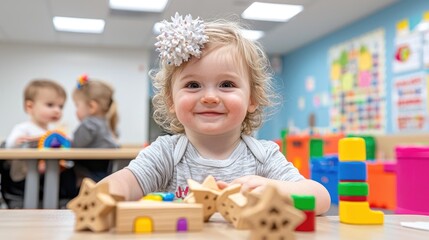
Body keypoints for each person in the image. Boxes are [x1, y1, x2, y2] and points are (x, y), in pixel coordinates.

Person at [101, 13, 330, 215]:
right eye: (192, 85)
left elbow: (320, 198)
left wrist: (276, 190)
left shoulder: (263, 156)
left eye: (227, 84)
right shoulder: (166, 154)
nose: (209, 97)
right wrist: (106, 195)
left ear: (252, 98)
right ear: (171, 99)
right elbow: (126, 182)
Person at [3, 79, 76, 206]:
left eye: (61, 106)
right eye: (50, 105)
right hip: (24, 176)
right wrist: (22, 140)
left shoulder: (53, 131)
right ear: (29, 106)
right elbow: (9, 145)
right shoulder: (23, 128)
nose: (57, 110)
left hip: (50, 175)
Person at [72, 75, 119, 183]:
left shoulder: (88, 124)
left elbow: (74, 147)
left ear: (92, 107)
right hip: (102, 177)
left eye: (77, 105)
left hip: (85, 178)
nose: (76, 110)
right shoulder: (105, 123)